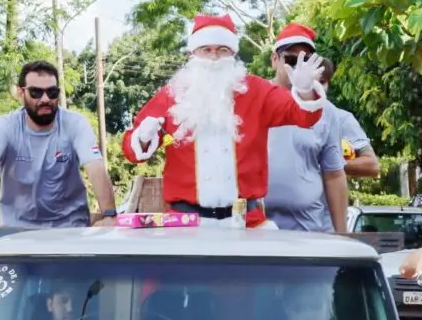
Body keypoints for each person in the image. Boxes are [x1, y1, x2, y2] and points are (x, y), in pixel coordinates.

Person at [121, 14, 327, 228]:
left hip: (244, 221)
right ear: (193, 53)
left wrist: (305, 91)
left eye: (222, 50)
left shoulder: (256, 91)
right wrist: (143, 138)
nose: (213, 57)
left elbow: (304, 116)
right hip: (186, 225)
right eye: (206, 49)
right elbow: (131, 152)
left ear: (232, 53)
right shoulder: (171, 95)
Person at [0, 60, 117, 246]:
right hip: (16, 238)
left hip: (70, 235)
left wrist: (109, 215)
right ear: (21, 93)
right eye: (36, 92)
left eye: (52, 92)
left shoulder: (76, 124)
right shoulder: (5, 126)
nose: (45, 99)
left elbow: (95, 168)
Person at [263, 23, 348, 233]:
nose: (299, 66)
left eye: (306, 60)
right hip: (257, 228)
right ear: (275, 60)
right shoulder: (254, 101)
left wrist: (342, 235)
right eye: (291, 59)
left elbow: (334, 175)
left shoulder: (325, 110)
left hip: (310, 229)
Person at [314, 56, 380, 179]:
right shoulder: (282, 116)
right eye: (310, 81)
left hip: (327, 196)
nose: (316, 87)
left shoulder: (342, 119)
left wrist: (329, 164)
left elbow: (372, 165)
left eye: (321, 82)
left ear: (328, 84)